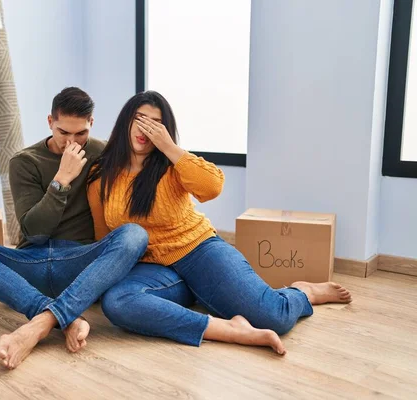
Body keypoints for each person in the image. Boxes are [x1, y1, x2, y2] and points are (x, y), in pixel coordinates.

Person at [87, 91, 352, 355]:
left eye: (155, 123)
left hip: (199, 251)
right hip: (151, 268)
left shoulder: (172, 164)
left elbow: (213, 186)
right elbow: (106, 237)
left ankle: (303, 293)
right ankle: (226, 328)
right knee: (117, 302)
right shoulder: (102, 176)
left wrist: (169, 148)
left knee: (275, 317)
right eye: (139, 119)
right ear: (125, 122)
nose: (145, 128)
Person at [0, 87, 148, 369]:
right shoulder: (25, 162)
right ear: (50, 122)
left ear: (92, 125)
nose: (71, 142)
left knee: (135, 235)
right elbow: (35, 232)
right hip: (30, 263)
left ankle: (40, 324)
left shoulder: (102, 152)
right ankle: (60, 314)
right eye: (63, 132)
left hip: (78, 263)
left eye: (81, 134)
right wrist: (62, 179)